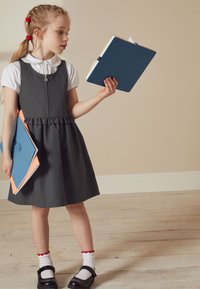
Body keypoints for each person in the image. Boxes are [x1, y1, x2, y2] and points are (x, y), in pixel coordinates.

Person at [1, 4, 118, 289]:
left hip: (66, 143)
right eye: (61, 32)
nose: (66, 38)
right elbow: (9, 116)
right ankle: (45, 265)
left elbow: (73, 111)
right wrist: (6, 154)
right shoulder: (14, 70)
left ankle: (88, 264)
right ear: (38, 33)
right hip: (35, 148)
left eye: (68, 33)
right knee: (39, 208)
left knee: (76, 204)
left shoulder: (67, 68)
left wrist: (102, 95)